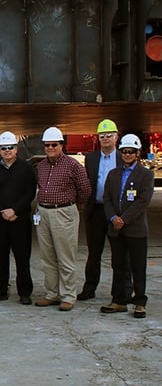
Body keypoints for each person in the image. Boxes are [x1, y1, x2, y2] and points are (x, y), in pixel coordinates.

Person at [34, 126, 91, 312]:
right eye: (47, 145)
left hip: (63, 212)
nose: (50, 148)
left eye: (54, 144)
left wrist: (73, 207)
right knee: (47, 257)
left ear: (61, 145)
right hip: (43, 213)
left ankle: (68, 296)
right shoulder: (41, 166)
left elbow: (85, 190)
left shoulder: (73, 165)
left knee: (65, 256)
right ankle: (52, 293)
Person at [100, 134, 154, 319]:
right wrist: (113, 218)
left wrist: (124, 219)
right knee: (118, 265)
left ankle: (139, 302)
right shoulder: (113, 174)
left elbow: (143, 201)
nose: (128, 154)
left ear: (137, 153)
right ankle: (118, 300)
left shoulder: (146, 175)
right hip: (116, 229)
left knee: (138, 266)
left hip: (135, 230)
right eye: (124, 151)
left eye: (131, 151)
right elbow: (106, 199)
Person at [78, 119, 130, 301]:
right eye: (102, 136)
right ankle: (89, 288)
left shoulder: (122, 157)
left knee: (120, 253)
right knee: (94, 253)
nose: (106, 139)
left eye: (109, 135)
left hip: (117, 211)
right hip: (96, 211)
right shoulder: (91, 159)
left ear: (116, 137)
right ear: (98, 138)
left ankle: (124, 290)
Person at [0, 132, 37, 305]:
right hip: (0, 221)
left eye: (10, 148)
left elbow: (30, 192)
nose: (7, 151)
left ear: (16, 149)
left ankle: (24, 292)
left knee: (22, 257)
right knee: (1, 257)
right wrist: (2, 211)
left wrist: (14, 210)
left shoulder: (26, 168)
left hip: (19, 220)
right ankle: (0, 291)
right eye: (3, 148)